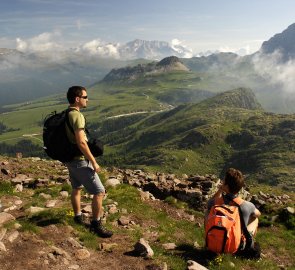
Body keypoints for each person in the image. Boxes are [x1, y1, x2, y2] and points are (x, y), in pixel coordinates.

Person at [65, 85, 113, 238]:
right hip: (80, 161)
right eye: (85, 97)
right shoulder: (77, 116)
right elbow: (81, 142)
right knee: (99, 192)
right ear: (77, 99)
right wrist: (93, 161)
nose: (87, 100)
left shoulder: (67, 113)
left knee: (77, 188)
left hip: (70, 160)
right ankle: (96, 224)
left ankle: (78, 216)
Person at [205, 168, 261, 251]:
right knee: (255, 218)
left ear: (226, 185)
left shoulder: (216, 202)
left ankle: (209, 240)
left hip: (213, 245)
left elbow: (208, 204)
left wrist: (220, 189)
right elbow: (258, 214)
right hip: (234, 248)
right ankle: (248, 240)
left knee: (208, 211)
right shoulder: (246, 205)